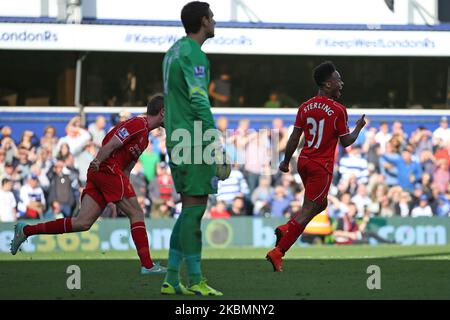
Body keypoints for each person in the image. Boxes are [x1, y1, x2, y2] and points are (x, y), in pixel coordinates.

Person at [10, 95, 167, 275]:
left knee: (82, 223)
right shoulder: (137, 124)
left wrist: (123, 191)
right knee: (137, 213)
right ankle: (147, 266)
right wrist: (98, 161)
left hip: (108, 173)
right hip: (106, 169)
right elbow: (112, 143)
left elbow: (127, 169)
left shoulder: (145, 138)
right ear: (162, 112)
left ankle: (26, 230)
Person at [265, 61, 366, 272]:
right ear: (328, 84)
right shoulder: (339, 110)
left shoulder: (305, 106)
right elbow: (346, 142)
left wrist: (285, 161)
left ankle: (287, 231)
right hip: (322, 165)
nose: (342, 83)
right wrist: (358, 128)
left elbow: (294, 137)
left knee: (320, 205)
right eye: (338, 79)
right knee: (309, 209)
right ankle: (279, 249)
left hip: (304, 161)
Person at [161, 1, 224, 296]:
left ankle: (172, 279)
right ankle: (196, 278)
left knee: (188, 210)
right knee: (196, 211)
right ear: (203, 21)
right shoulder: (193, 53)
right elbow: (199, 98)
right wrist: (214, 139)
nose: (214, 21)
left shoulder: (173, 51)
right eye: (211, 17)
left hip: (176, 138)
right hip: (194, 139)